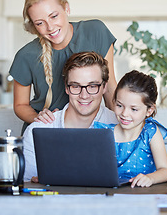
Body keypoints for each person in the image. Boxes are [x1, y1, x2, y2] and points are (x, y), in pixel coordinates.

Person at [9, 0, 117, 133]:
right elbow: (20, 106)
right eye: (40, 23)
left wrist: (122, 128)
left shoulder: (96, 32)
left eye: (54, 16)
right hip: (46, 132)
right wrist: (39, 117)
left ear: (66, 8)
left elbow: (110, 88)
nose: (50, 27)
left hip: (90, 130)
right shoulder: (26, 55)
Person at [22, 51, 118, 182]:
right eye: (75, 86)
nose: (84, 95)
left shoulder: (121, 125)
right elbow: (27, 184)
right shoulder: (38, 130)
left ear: (104, 87)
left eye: (92, 86)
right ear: (66, 88)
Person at [95, 70, 167, 188]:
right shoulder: (103, 133)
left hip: (142, 196)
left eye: (134, 109)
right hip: (109, 197)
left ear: (149, 110)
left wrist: (150, 178)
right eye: (119, 105)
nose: (124, 114)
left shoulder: (150, 132)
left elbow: (165, 171)